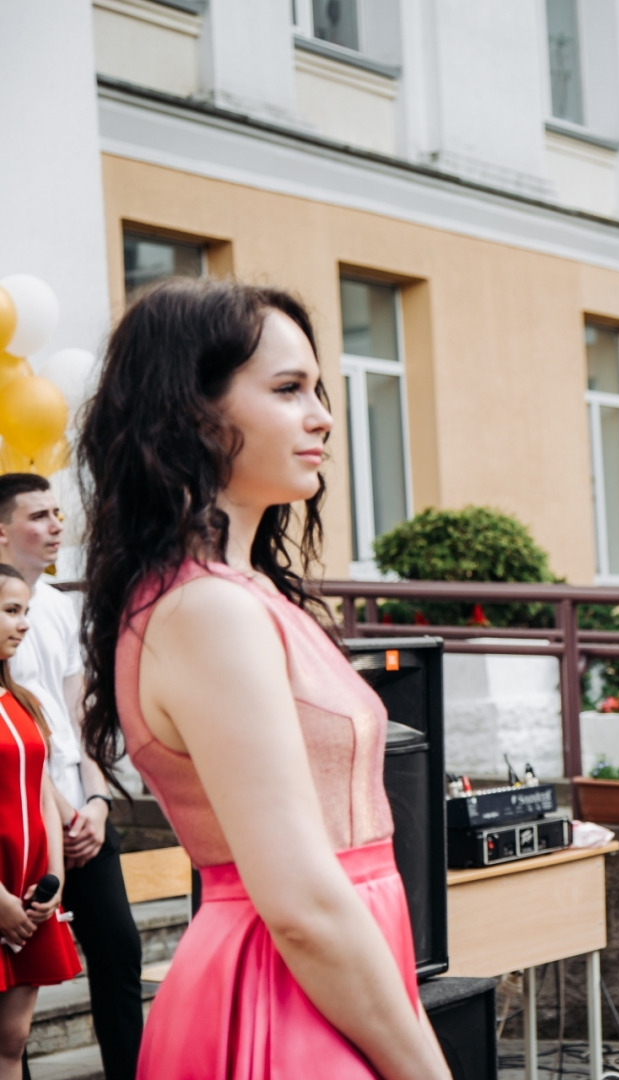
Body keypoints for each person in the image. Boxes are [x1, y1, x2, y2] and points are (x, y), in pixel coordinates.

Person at [77, 279, 450, 1079]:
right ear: (189, 412)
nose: (321, 416)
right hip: (279, 990)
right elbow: (303, 906)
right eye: (288, 389)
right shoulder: (208, 610)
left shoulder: (240, 594)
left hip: (331, 971)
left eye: (318, 389)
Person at [0, 474, 143, 1080]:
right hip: (29, 814)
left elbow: (76, 715)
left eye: (60, 513)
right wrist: (59, 808)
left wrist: (96, 798)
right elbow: (20, 742)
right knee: (15, 998)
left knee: (119, 951)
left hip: (78, 814)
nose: (58, 525)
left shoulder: (56, 605)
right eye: (40, 515)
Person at [0, 563, 81, 1080]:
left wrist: (54, 881)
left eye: (26, 611)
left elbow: (43, 798)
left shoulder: (21, 700)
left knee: (13, 1040)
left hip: (28, 896)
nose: (24, 623)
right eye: (11, 610)